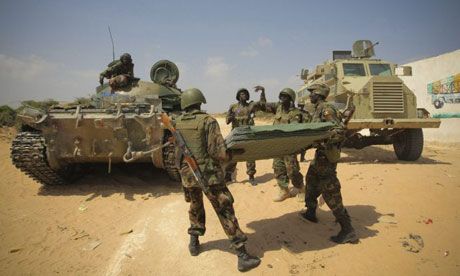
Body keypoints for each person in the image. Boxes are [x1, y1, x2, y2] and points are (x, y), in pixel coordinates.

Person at [174, 88, 261, 272]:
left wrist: (182, 176)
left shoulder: (177, 122)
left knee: (195, 207)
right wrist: (235, 154)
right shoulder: (208, 121)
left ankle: (193, 243)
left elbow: (177, 152)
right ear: (199, 102)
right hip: (209, 176)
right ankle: (242, 255)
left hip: (188, 175)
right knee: (225, 210)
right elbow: (218, 152)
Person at [299, 83, 358, 244]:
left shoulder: (327, 109)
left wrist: (322, 140)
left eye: (312, 93)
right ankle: (311, 211)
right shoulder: (318, 109)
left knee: (330, 190)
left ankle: (347, 229)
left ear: (319, 94)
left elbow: (339, 132)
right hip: (321, 155)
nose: (310, 95)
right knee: (311, 180)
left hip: (327, 155)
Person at [256, 85, 305, 202]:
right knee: (278, 168)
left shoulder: (296, 113)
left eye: (286, 96)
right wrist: (263, 92)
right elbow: (263, 105)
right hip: (277, 145)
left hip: (289, 146)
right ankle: (284, 190)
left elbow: (295, 128)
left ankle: (301, 189)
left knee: (292, 170)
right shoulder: (277, 108)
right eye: (281, 96)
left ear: (291, 99)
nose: (283, 98)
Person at [225, 88, 264, 186]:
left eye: (246, 94)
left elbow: (262, 104)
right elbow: (227, 121)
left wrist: (262, 92)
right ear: (238, 96)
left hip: (248, 134)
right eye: (242, 94)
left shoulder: (250, 106)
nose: (244, 95)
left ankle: (251, 176)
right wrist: (231, 117)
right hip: (237, 135)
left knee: (250, 155)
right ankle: (228, 174)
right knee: (233, 155)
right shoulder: (234, 107)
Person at [297, 98, 310, 163]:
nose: (301, 107)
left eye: (302, 105)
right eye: (299, 105)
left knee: (304, 146)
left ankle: (302, 158)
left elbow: (309, 121)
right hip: (297, 132)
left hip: (305, 132)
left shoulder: (306, 113)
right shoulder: (295, 113)